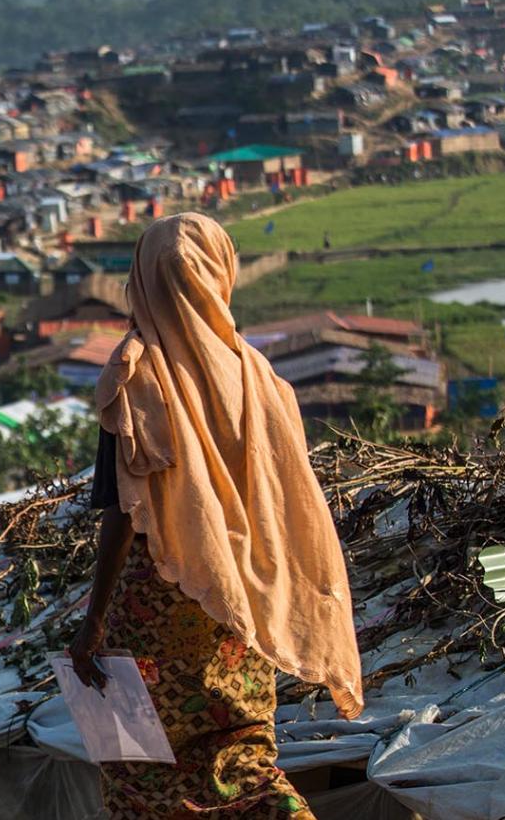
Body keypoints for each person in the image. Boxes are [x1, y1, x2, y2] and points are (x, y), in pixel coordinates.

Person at [67, 213, 364, 819]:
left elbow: (124, 510)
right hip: (239, 598)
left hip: (159, 603)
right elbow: (285, 499)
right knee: (241, 756)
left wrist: (94, 620)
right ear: (219, 273)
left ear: (143, 278)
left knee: (138, 769)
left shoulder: (135, 371)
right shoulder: (257, 375)